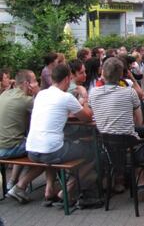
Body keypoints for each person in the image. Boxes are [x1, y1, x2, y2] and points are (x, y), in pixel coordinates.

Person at [89, 57, 144, 190]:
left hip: (108, 152)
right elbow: (139, 121)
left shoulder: (93, 93)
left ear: (103, 72)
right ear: (121, 75)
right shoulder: (129, 92)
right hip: (131, 152)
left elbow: (93, 113)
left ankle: (136, 180)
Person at [25, 64, 95, 205]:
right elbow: (87, 117)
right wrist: (85, 97)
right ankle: (67, 191)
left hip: (31, 150)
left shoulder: (41, 94)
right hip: (50, 151)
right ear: (68, 79)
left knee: (56, 146)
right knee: (92, 151)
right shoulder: (66, 97)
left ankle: (49, 190)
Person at [0, 70, 41, 200]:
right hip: (9, 149)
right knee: (45, 151)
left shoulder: (5, 94)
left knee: (25, 141)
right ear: (27, 84)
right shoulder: (26, 100)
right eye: (35, 81)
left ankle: (12, 182)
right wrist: (38, 92)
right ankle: (20, 187)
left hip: (3, 146)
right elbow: (46, 109)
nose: (37, 83)